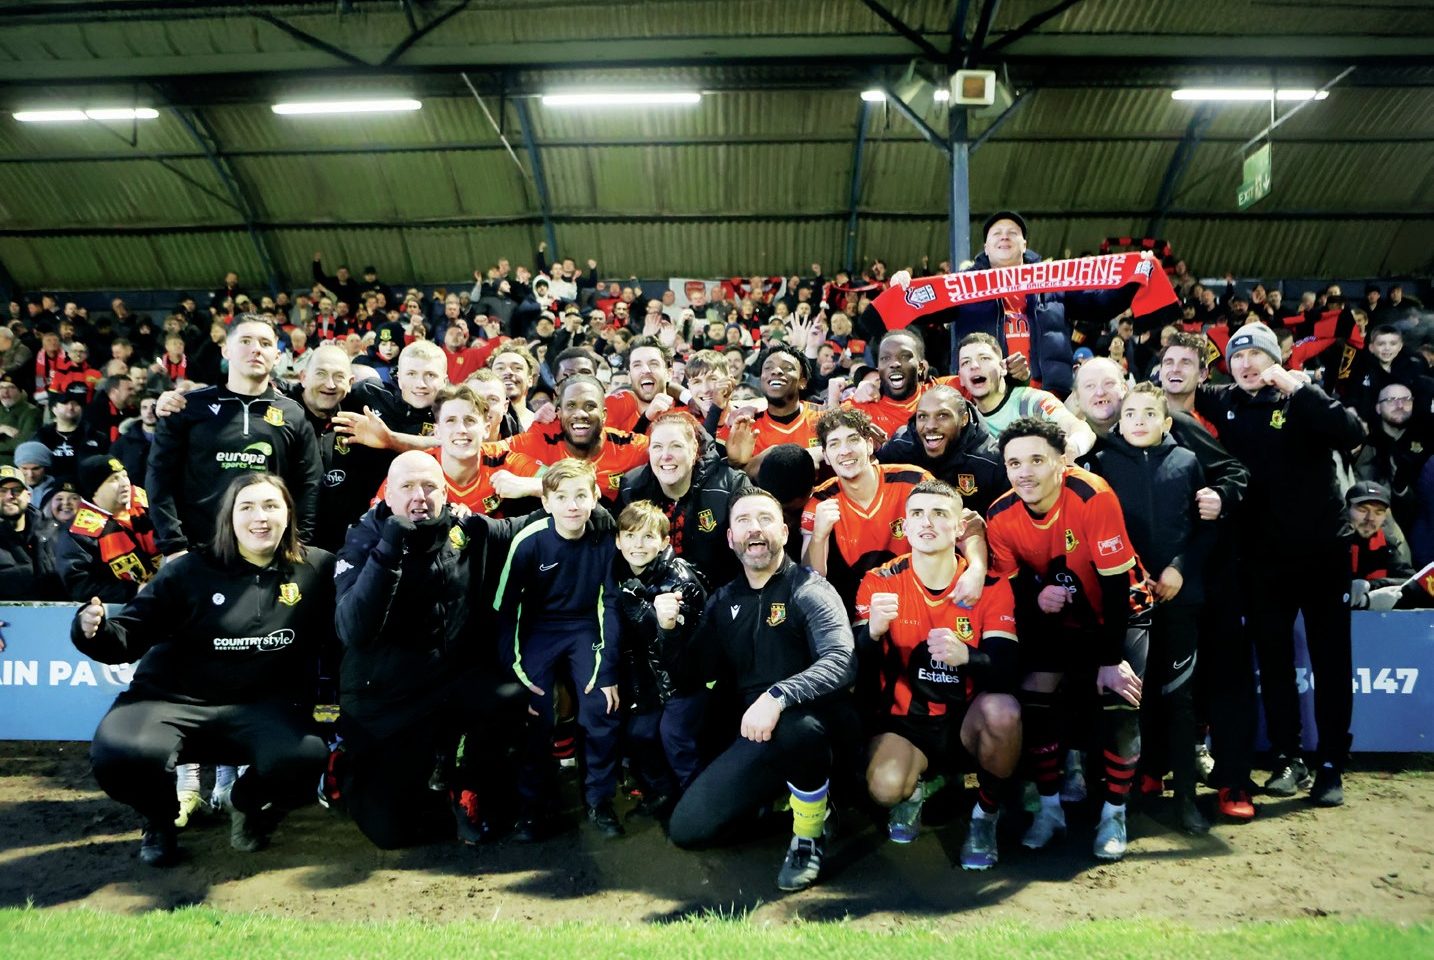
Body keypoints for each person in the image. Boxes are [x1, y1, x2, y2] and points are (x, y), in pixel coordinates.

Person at [72, 473, 336, 866]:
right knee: (119, 753)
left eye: (270, 506)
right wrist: (91, 631)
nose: (259, 517)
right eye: (246, 507)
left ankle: (242, 804)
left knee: (305, 757)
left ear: (288, 515)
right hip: (172, 700)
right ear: (228, 518)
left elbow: (347, 634)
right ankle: (159, 820)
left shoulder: (317, 569)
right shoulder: (188, 571)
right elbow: (128, 635)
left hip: (261, 707)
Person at [1193, 322, 1365, 806]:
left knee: (1332, 662)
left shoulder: (1302, 398)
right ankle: (1289, 757)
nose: (1246, 364)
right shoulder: (1226, 401)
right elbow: (1177, 383)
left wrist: (1300, 387)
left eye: (1256, 355)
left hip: (1323, 554)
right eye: (1237, 357)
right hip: (1264, 560)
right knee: (1273, 661)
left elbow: (1352, 431)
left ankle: (1331, 763)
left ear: (1276, 360)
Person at [334, 451, 533, 849]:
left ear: (445, 493)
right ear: (387, 495)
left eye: (429, 486)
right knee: (392, 835)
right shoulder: (363, 538)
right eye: (407, 487)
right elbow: (353, 629)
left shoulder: (463, 528)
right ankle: (344, 767)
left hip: (450, 681)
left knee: (513, 697)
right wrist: (390, 547)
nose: (419, 497)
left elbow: (528, 525)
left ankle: (461, 779)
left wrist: (585, 510)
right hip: (386, 695)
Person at [666, 489, 857, 891]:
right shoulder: (724, 600)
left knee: (796, 728)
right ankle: (803, 801)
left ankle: (809, 833)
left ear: (784, 533)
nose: (755, 528)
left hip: (815, 727)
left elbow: (842, 661)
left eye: (766, 519)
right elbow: (691, 674)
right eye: (744, 521)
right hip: (758, 734)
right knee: (688, 829)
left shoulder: (809, 588)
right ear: (731, 538)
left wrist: (778, 696)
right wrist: (668, 629)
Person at [987, 417, 1150, 861]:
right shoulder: (999, 516)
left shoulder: (1093, 495)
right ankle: (1051, 808)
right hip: (1061, 622)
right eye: (1014, 463)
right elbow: (1015, 590)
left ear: (1061, 462)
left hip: (1118, 613)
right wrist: (1037, 597)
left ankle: (1114, 814)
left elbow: (1116, 589)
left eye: (1037, 460)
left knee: (1120, 697)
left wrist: (1111, 659)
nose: (1025, 472)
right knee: (1034, 697)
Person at [856, 481, 1021, 868]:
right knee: (883, 788)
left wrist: (969, 657)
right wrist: (869, 633)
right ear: (905, 527)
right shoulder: (879, 582)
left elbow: (1008, 669)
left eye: (939, 514)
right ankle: (912, 791)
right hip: (906, 724)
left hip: (967, 723)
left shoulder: (991, 585)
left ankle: (985, 815)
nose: (926, 522)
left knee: (1005, 712)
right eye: (917, 514)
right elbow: (851, 667)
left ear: (959, 528)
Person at [1091, 385, 1214, 834]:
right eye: (1130, 414)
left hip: (1180, 599)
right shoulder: (1100, 465)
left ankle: (1186, 799)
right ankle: (1122, 798)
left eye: (1149, 414)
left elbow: (1206, 531)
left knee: (1180, 700)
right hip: (1126, 605)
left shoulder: (1186, 462)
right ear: (1118, 422)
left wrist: (1179, 569)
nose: (1138, 420)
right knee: (1127, 703)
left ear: (1166, 423)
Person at [493, 459, 624, 840]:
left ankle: (599, 800)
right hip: (539, 629)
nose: (572, 505)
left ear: (595, 497)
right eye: (562, 497)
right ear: (546, 502)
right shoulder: (529, 540)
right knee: (533, 711)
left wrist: (608, 669)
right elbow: (505, 610)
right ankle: (532, 806)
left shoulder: (605, 532)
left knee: (602, 703)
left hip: (586, 624)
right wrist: (515, 676)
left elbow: (610, 604)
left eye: (581, 495)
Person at [146, 316, 321, 558]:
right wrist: (174, 544)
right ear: (226, 350)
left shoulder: (293, 414)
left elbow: (308, 485)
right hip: (196, 552)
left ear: (277, 356)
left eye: (265, 343)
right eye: (246, 341)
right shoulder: (186, 407)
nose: (256, 349)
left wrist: (297, 543)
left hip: (268, 553)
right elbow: (159, 477)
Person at [802, 409, 950, 614]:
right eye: (834, 444)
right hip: (861, 609)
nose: (845, 451)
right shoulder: (821, 500)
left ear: (870, 445)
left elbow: (955, 532)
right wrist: (819, 535)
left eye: (853, 440)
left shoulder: (914, 481)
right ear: (826, 456)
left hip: (921, 597)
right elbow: (812, 576)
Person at [613, 501, 709, 818]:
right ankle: (662, 793)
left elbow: (684, 652)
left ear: (665, 541)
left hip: (686, 683)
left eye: (647, 537)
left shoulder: (681, 582)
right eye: (630, 536)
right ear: (618, 540)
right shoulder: (618, 571)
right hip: (645, 681)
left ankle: (697, 804)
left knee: (672, 736)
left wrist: (644, 614)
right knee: (636, 733)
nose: (638, 545)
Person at [615, 410, 753, 589]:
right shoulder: (632, 487)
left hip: (718, 599)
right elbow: (618, 557)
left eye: (676, 446)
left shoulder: (730, 485)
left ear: (694, 448)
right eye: (657, 446)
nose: (665, 455)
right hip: (653, 600)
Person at [372, 384, 539, 516]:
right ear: (437, 431)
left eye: (470, 420)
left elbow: (560, 483)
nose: (461, 429)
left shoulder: (504, 460)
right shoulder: (414, 467)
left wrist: (529, 485)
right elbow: (373, 520)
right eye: (451, 420)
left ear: (486, 429)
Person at [498, 375, 649, 504]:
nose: (580, 413)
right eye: (571, 406)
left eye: (590, 406)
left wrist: (671, 389)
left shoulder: (628, 446)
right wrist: (538, 481)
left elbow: (667, 450)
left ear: (604, 415)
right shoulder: (542, 438)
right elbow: (487, 452)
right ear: (559, 413)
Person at [874, 385, 1007, 518]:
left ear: (964, 419)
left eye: (942, 416)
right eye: (922, 416)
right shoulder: (901, 445)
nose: (931, 425)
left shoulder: (991, 460)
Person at [958, 333, 1096, 459]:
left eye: (984, 358)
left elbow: (1079, 428)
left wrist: (1074, 446)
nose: (974, 366)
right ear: (960, 379)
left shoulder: (1031, 401)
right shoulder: (965, 423)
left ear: (1003, 368)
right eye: (966, 362)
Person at [53, 455, 161, 603]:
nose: (125, 484)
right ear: (94, 491)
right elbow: (81, 587)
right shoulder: (77, 533)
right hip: (124, 613)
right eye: (114, 479)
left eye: (125, 476)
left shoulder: (149, 506)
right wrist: (136, 591)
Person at [722, 345, 823, 475]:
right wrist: (735, 463)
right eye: (768, 367)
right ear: (761, 379)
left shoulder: (822, 420)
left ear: (802, 382)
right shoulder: (743, 424)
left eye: (787, 367)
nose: (776, 371)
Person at [844, 329, 957, 438]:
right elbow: (829, 427)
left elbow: (971, 379)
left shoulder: (945, 391)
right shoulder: (862, 405)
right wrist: (833, 398)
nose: (894, 364)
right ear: (878, 368)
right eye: (885, 358)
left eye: (904, 356)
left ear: (921, 367)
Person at [0, 463, 59, 599]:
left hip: (54, 615)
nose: (10, 496)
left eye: (17, 490)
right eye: (2, 491)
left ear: (28, 496)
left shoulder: (52, 532)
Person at [36, 381, 108, 483]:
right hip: (51, 491)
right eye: (65, 402)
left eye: (76, 403)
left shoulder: (97, 437)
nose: (71, 407)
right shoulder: (41, 437)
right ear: (54, 409)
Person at [0, 372, 40, 467]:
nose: (5, 392)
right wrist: (3, 428)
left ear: (20, 391)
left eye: (11, 387)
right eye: (1, 387)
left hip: (12, 464)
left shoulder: (31, 412)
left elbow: (23, 444)